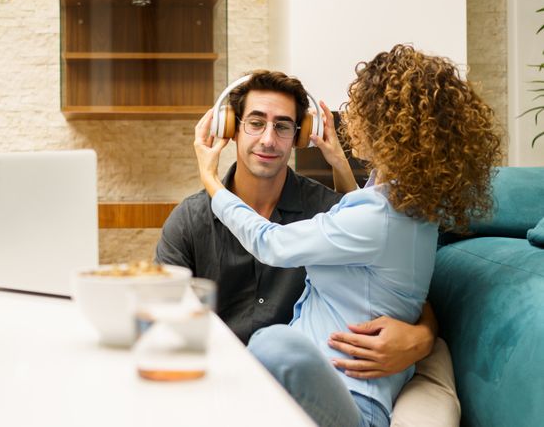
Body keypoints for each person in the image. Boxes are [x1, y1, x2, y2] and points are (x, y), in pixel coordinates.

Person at [192, 46, 502, 426]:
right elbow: (362, 228)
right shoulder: (405, 208)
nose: (350, 115)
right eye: (255, 123)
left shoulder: (379, 216)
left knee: (275, 344)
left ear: (384, 126)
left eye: (361, 107)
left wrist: (210, 180)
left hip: (353, 404)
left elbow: (272, 243)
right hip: (318, 395)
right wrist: (338, 161)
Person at [156, 70, 437, 378]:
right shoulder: (189, 221)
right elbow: (159, 314)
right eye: (255, 122)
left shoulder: (328, 210)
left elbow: (400, 282)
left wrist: (420, 338)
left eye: (283, 126)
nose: (268, 139)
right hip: (215, 380)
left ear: (300, 136)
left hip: (301, 386)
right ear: (230, 128)